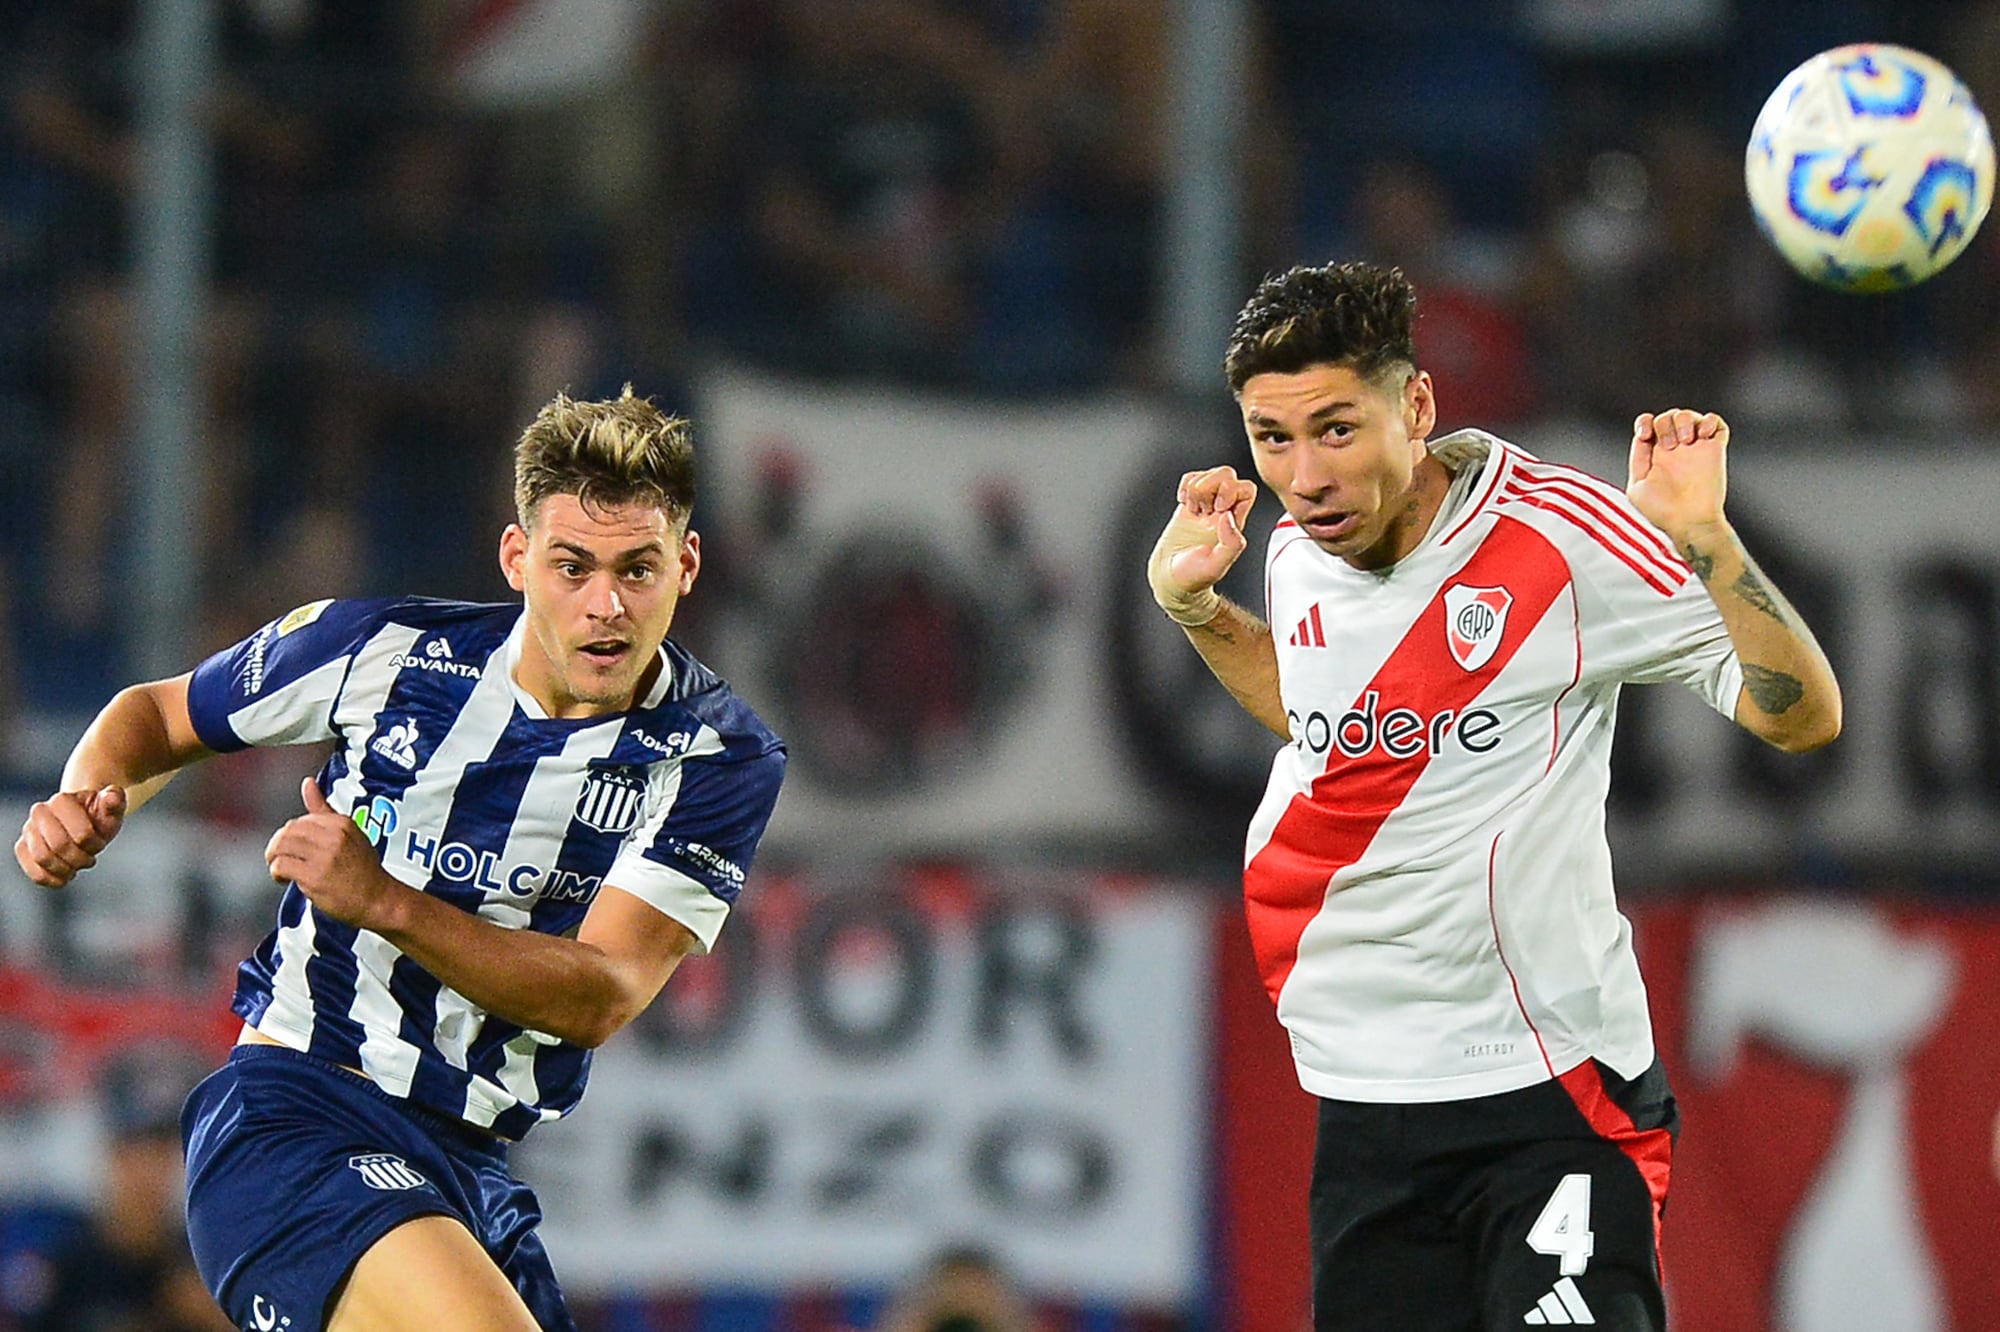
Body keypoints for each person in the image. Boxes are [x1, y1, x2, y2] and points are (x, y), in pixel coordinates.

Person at [1146, 262, 1840, 1332]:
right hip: (1364, 1098)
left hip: (1546, 1093)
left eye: (1335, 429)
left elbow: (1798, 716)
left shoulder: (1559, 539)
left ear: (1414, 405)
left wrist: (1704, 541)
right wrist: (1195, 610)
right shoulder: (1289, 555)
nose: (1304, 475)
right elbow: (1325, 724)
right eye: (1270, 439)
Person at [13, 388, 788, 1332]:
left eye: (638, 569)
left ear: (687, 565)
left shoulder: (718, 756)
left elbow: (599, 994)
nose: (607, 606)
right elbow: (157, 715)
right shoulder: (387, 652)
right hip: (299, 1111)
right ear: (517, 558)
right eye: (572, 566)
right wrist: (85, 802)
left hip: (475, 1171)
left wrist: (382, 900)